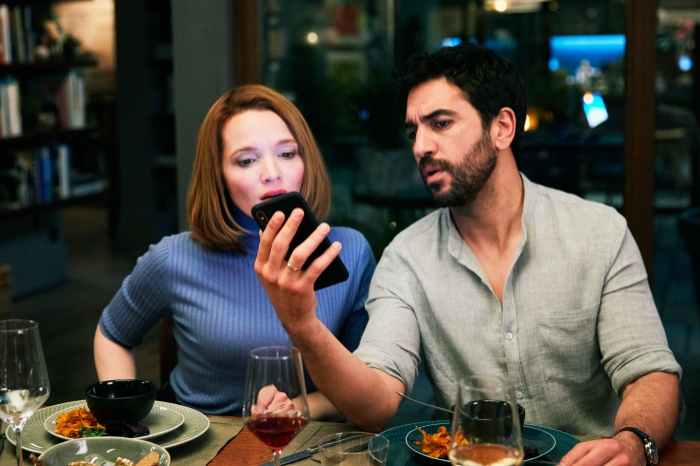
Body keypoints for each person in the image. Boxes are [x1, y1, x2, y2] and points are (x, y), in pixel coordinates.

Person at [254, 43, 682, 466]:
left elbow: (650, 372)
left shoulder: (599, 232)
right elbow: (376, 402)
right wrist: (302, 324)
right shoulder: (406, 258)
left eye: (440, 123)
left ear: (502, 128)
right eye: (413, 132)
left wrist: (632, 443)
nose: (421, 146)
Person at [93, 84, 375, 416]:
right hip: (199, 436)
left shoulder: (351, 252)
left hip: (307, 437)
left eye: (287, 154)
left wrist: (300, 407)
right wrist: (126, 421)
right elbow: (112, 335)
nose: (272, 174)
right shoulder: (173, 258)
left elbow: (367, 382)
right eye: (246, 160)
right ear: (219, 175)